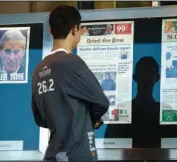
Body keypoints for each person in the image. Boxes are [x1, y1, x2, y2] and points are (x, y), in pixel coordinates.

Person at [31, 5, 109, 161]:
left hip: (53, 155)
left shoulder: (39, 70)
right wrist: (89, 119)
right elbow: (102, 102)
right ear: (75, 29)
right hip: (78, 154)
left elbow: (39, 118)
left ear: (51, 31)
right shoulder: (72, 62)